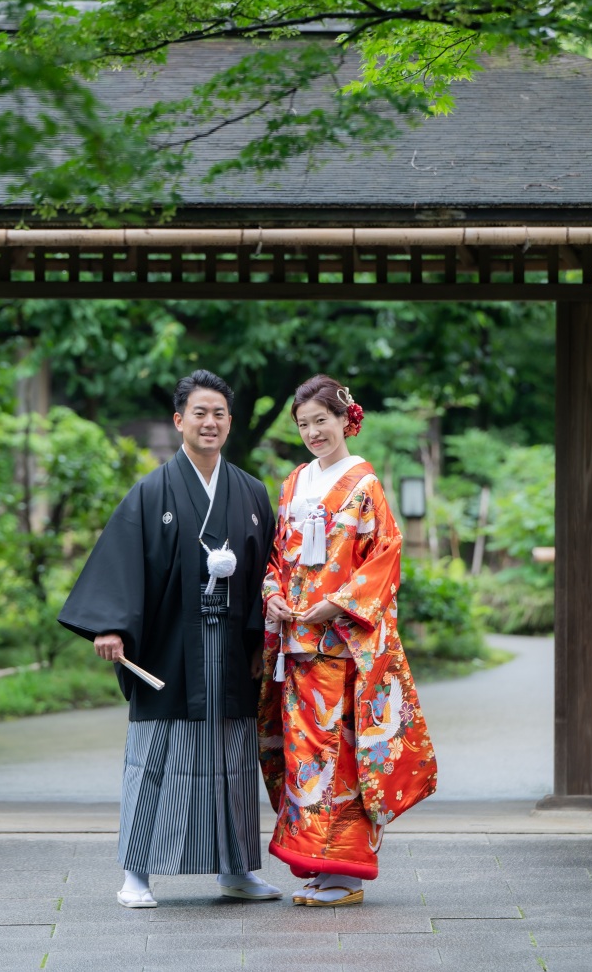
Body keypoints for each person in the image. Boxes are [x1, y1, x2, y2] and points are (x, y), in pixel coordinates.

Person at [58, 369, 281, 908]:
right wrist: (110, 624)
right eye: (200, 413)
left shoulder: (250, 492)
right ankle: (137, 873)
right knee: (156, 756)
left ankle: (237, 871)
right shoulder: (152, 491)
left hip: (230, 649)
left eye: (219, 413)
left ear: (230, 423)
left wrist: (262, 643)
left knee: (231, 758)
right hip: (166, 646)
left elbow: (271, 572)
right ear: (179, 420)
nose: (210, 422)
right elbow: (122, 561)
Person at [258, 374, 437, 907]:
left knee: (343, 757)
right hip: (297, 644)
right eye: (304, 424)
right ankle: (320, 864)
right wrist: (271, 593)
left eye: (322, 421)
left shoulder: (365, 485)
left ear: (345, 420)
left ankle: (348, 873)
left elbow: (384, 558)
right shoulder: (294, 483)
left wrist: (336, 603)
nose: (314, 432)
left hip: (342, 644)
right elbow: (278, 556)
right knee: (305, 757)